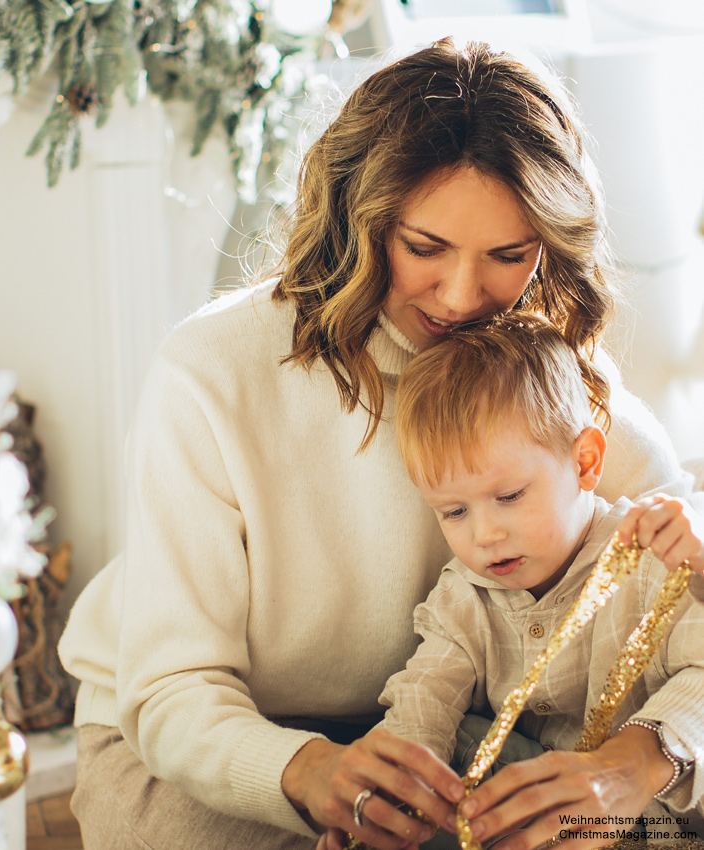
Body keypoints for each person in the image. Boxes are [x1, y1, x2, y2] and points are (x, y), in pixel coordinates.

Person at [57, 37, 704, 850]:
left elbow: (682, 542)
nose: (464, 296)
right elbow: (172, 692)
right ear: (358, 221)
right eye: (425, 248)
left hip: (444, 733)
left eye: (508, 256)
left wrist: (640, 761)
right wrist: (309, 771)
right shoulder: (211, 371)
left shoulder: (545, 368)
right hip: (218, 738)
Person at [327, 311, 704, 850]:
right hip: (541, 813)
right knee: (439, 750)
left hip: (663, 817)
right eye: (453, 512)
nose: (485, 535)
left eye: (508, 497)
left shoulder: (650, 556)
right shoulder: (463, 599)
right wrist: (383, 798)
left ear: (585, 462)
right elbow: (424, 701)